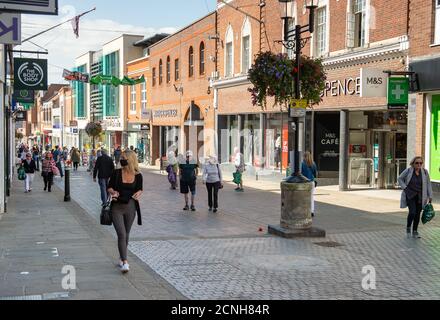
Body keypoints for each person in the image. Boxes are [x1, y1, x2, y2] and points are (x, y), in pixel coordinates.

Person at [107, 150, 143, 274]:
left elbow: (139, 189)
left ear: (130, 159)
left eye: (123, 158)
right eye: (121, 157)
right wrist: (113, 192)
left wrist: (139, 193)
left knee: (126, 234)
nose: (121, 159)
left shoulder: (138, 175)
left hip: (131, 207)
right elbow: (109, 186)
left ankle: (122, 257)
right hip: (116, 207)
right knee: (121, 234)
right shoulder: (116, 173)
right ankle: (125, 261)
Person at [398, 156, 433, 238]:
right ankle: (408, 226)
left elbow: (428, 184)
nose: (419, 164)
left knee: (417, 214)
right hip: (410, 195)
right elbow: (400, 178)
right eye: (417, 163)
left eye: (421, 163)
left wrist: (430, 195)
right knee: (412, 212)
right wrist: (405, 188)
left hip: (421, 196)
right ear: (413, 163)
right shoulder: (408, 171)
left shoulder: (424, 172)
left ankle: (415, 230)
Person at [301, 151, 318, 218]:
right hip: (312, 182)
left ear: (304, 157)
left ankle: (304, 211)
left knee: (303, 198)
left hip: (304, 182)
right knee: (311, 197)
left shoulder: (302, 164)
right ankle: (311, 211)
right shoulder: (313, 163)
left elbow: (301, 173)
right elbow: (315, 173)